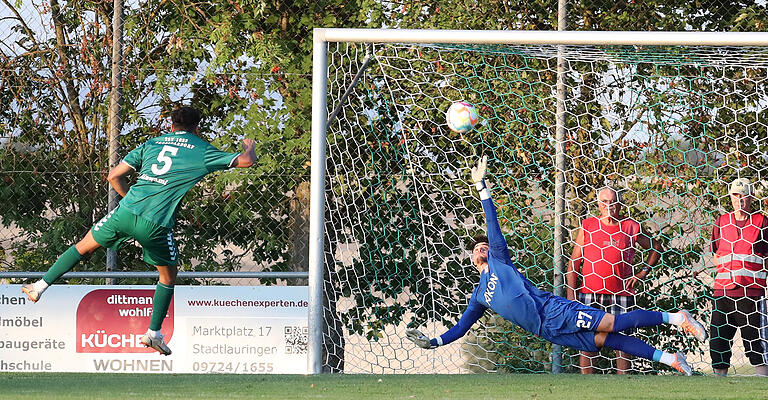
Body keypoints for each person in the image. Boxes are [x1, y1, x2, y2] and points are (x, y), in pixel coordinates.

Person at [406, 156, 706, 376]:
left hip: (554, 310)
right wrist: (433, 341)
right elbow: (461, 327)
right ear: (473, 261)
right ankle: (671, 359)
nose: (481, 248)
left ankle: (676, 318)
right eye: (476, 249)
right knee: (607, 339)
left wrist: (482, 187)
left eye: (484, 245)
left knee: (611, 323)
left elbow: (492, 223)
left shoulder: (500, 260)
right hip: (547, 331)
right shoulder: (479, 295)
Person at [21, 106, 256, 355]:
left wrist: (128, 201)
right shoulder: (201, 150)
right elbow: (246, 161)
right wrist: (248, 146)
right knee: (167, 276)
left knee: (83, 245)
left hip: (124, 212)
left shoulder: (153, 143)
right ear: (197, 127)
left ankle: (39, 286)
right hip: (155, 223)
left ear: (171, 126)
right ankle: (153, 334)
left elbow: (113, 176)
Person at [566, 187, 663, 374]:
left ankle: (622, 385)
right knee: (588, 341)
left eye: (612, 202)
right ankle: (587, 388)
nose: (608, 206)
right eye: (604, 202)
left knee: (623, 343)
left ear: (619, 204)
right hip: (590, 294)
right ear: (598, 204)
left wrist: (642, 272)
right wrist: (571, 296)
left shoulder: (630, 226)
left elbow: (656, 247)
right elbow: (574, 263)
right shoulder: (588, 225)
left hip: (621, 294)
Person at [709, 178, 768, 377]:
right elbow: (716, 254)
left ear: (751, 197)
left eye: (743, 195)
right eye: (735, 195)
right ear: (730, 197)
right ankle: (719, 384)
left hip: (750, 294)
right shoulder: (721, 222)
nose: (739, 199)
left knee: (755, 341)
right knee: (718, 341)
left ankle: (763, 382)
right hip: (723, 292)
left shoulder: (761, 222)